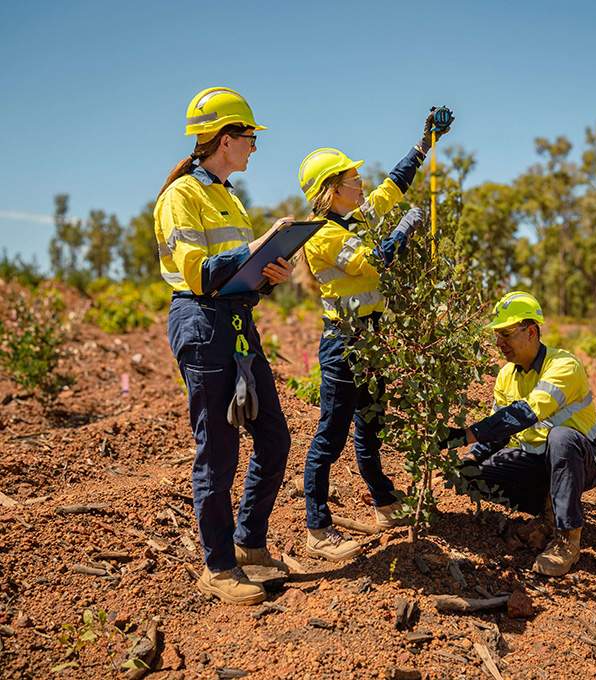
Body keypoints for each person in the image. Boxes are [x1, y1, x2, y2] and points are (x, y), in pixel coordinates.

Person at [154, 87, 294, 604]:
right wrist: (257, 247)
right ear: (225, 138)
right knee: (217, 452)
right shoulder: (181, 196)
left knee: (274, 439)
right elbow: (199, 274)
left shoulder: (229, 196)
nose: (255, 146)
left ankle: (248, 543)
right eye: (250, 137)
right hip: (201, 323)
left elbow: (238, 275)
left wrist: (269, 274)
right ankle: (218, 566)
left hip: (236, 322)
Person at [297, 108, 454, 561]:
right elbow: (372, 263)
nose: (361, 183)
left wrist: (423, 145)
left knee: (371, 425)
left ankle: (384, 503)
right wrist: (404, 230)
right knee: (331, 436)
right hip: (344, 344)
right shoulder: (322, 235)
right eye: (353, 178)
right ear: (333, 189)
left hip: (372, 341)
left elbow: (391, 187)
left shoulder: (356, 218)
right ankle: (317, 527)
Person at [441, 291, 596, 577]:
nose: (499, 343)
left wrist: (463, 435)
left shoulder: (564, 366)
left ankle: (567, 539)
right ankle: (549, 509)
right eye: (497, 335)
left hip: (584, 460)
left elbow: (525, 413)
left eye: (506, 334)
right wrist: (470, 459)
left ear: (531, 332)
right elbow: (498, 433)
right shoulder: (506, 375)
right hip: (537, 461)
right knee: (469, 474)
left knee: (561, 437)